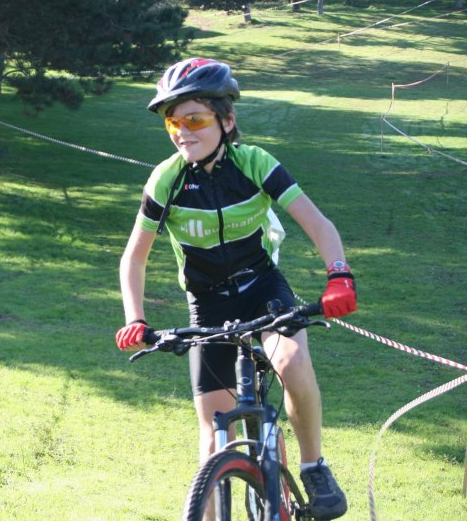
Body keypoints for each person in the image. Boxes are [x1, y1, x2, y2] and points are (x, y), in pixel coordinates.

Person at [116, 58, 356, 520]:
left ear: (226, 121)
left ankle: (314, 466)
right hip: (206, 303)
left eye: (194, 120)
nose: (182, 132)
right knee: (211, 439)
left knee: (291, 361)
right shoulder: (167, 179)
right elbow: (134, 257)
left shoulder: (255, 163)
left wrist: (339, 275)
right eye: (172, 122)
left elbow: (318, 223)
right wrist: (135, 318)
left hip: (262, 288)